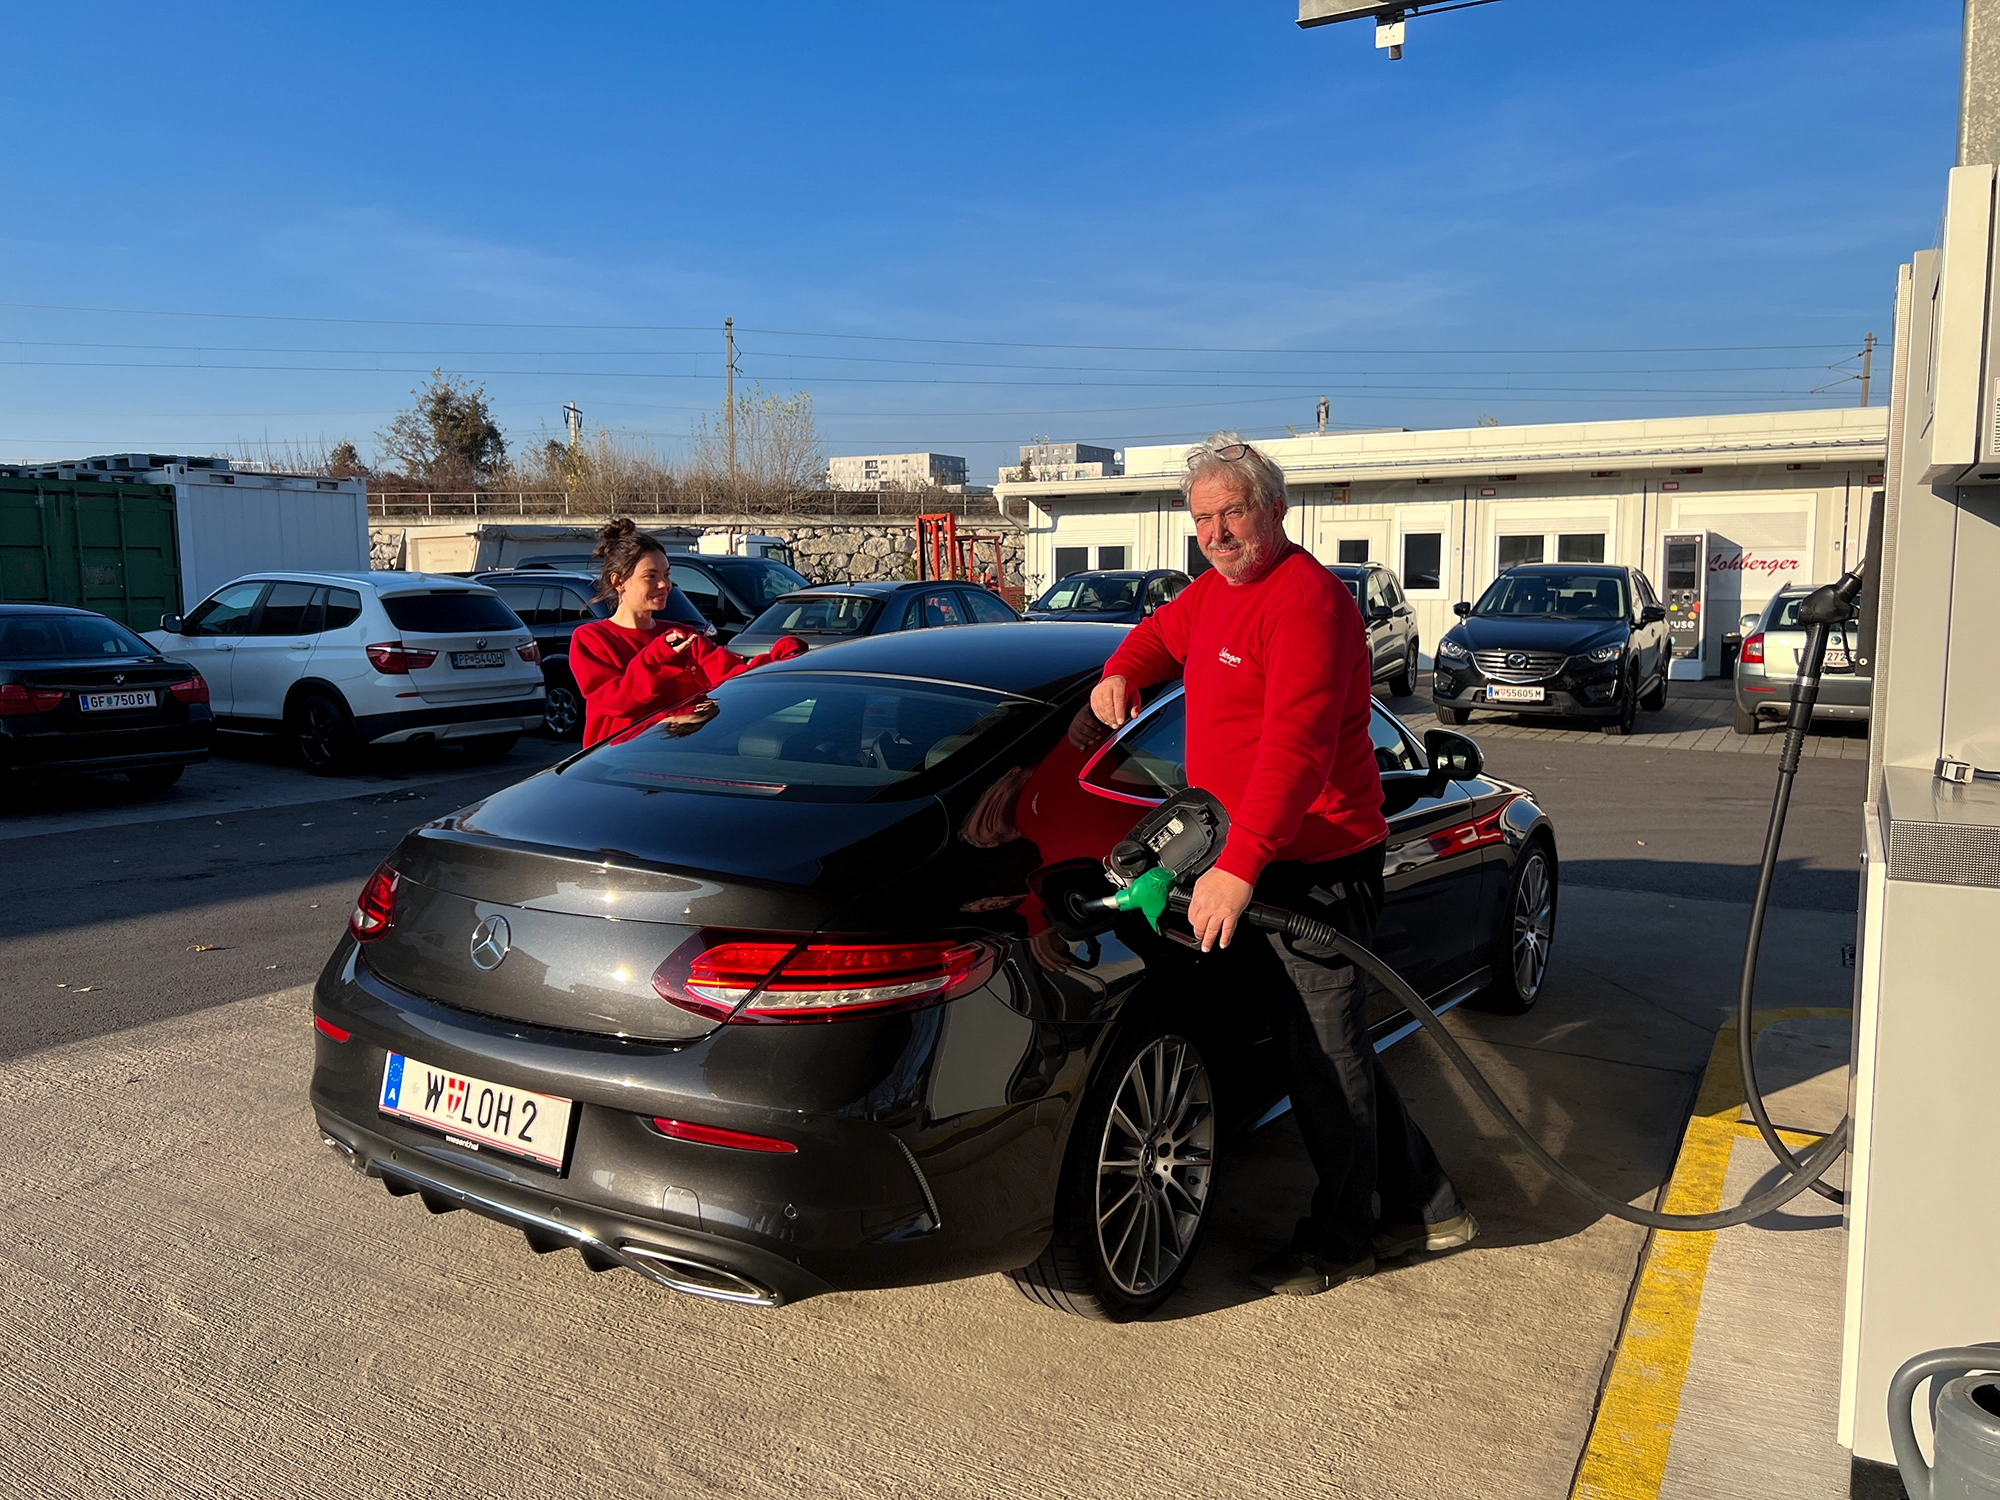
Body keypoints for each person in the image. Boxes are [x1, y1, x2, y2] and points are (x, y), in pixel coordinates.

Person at [1089, 431, 1476, 1297]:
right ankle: (1425, 1204)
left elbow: (1294, 752)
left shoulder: (1307, 605)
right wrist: (1121, 671)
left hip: (1319, 864)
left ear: (1276, 509)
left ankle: (1345, 1240)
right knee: (1328, 1050)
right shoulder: (1214, 593)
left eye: (1231, 514)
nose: (1216, 535)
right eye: (1201, 520)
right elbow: (1156, 635)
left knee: (1324, 1060)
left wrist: (1240, 866)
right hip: (1252, 856)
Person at [569, 519, 805, 748]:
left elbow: (735, 675)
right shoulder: (592, 638)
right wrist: (666, 714)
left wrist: (779, 661)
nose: (664, 585)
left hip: (681, 758)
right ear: (619, 581)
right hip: (618, 765)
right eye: (651, 576)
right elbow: (619, 701)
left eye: (667, 575)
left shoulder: (682, 635)